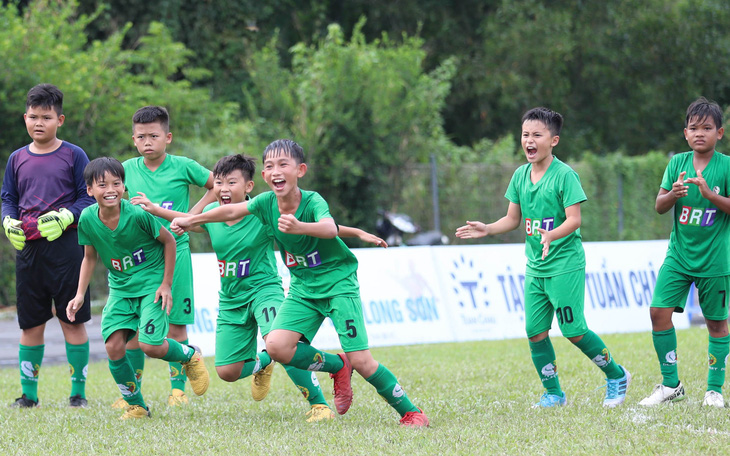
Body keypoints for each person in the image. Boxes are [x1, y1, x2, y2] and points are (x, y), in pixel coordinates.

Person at [170, 140, 429, 427]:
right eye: (269, 166)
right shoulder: (265, 203)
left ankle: (411, 412)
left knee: (363, 362)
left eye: (283, 165)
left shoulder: (313, 200)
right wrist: (192, 219)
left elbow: (330, 228)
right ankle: (337, 365)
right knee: (277, 347)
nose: (275, 171)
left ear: (300, 170)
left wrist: (301, 227)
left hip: (337, 283)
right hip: (303, 288)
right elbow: (230, 212)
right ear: (265, 177)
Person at [456, 107, 630, 408]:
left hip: (565, 264)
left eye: (537, 134)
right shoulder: (520, 175)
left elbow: (574, 220)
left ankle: (616, 375)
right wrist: (488, 228)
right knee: (535, 332)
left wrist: (551, 235)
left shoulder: (565, 176)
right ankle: (553, 393)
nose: (529, 140)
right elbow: (512, 219)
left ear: (554, 140)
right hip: (535, 267)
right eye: (525, 135)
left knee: (574, 331)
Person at [66, 157, 210, 419]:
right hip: (121, 288)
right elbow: (89, 257)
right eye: (102, 184)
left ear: (124, 187)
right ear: (89, 190)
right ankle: (137, 406)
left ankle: (189, 356)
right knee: (113, 346)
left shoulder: (138, 214)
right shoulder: (87, 218)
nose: (110, 189)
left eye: (116, 183)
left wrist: (166, 284)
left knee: (150, 345)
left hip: (151, 284)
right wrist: (79, 294)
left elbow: (169, 242)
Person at [1, 84, 94, 408]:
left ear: (60, 119)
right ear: (24, 117)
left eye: (46, 117)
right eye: (33, 116)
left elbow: (88, 197)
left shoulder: (73, 154)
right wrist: (7, 221)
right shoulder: (17, 158)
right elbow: (8, 199)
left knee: (72, 319)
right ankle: (29, 395)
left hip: (67, 249)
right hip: (28, 249)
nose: (38, 123)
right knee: (30, 322)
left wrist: (68, 216)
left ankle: (78, 393)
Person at [116, 105, 215, 408]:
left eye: (154, 136)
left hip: (177, 252)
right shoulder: (126, 169)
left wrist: (190, 217)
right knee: (133, 326)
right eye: (141, 136)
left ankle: (177, 391)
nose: (148, 141)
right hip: (141, 258)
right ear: (134, 140)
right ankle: (134, 392)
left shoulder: (183, 165)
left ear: (167, 137)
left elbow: (216, 185)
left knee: (176, 323)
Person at [639, 97, 730, 408]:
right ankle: (670, 385)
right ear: (685, 133)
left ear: (720, 132)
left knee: (716, 322)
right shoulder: (676, 163)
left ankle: (714, 390)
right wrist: (673, 195)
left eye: (707, 128)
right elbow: (659, 205)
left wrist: (709, 195)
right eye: (694, 128)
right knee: (657, 312)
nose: (699, 133)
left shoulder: (727, 166)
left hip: (714, 259)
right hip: (678, 257)